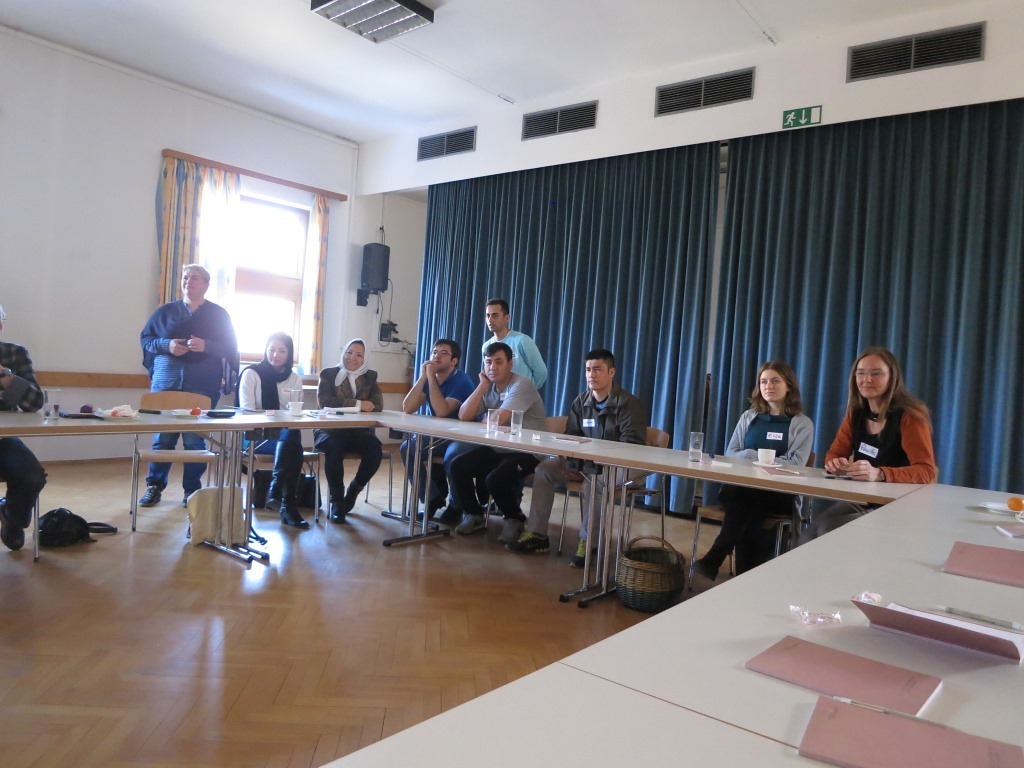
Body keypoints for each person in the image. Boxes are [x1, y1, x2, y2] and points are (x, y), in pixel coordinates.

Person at [507, 348, 648, 567]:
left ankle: (589, 542)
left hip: (625, 466)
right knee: (544, 470)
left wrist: (587, 464)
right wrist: (573, 463)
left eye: (597, 369)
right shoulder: (581, 402)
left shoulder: (629, 404)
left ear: (611, 373)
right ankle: (537, 535)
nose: (592, 374)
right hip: (589, 464)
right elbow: (571, 438)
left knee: (594, 482)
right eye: (588, 370)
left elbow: (631, 447)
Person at [694, 361, 814, 581]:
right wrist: (757, 456)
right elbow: (731, 453)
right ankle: (743, 575)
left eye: (775, 381)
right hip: (741, 489)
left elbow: (795, 463)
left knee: (748, 504)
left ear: (789, 386)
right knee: (747, 496)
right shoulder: (749, 417)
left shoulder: (802, 424)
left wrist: (751, 456)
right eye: (764, 381)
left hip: (778, 495)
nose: (769, 386)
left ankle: (717, 554)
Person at [802, 346, 937, 540]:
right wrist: (835, 463)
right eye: (861, 373)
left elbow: (927, 471)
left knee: (830, 530)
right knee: (809, 534)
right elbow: (835, 453)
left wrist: (880, 474)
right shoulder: (855, 412)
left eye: (876, 373)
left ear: (892, 378)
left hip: (901, 503)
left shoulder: (910, 416)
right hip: (865, 498)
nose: (867, 379)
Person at [138, 264, 239, 507]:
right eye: (185, 277)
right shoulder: (164, 312)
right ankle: (154, 486)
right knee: (163, 439)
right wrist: (167, 345)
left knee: (195, 440)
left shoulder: (219, 315)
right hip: (166, 383)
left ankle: (192, 490)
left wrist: (207, 346)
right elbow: (146, 340)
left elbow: (230, 348)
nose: (188, 281)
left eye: (195, 277)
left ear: (206, 284)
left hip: (202, 385)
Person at [448, 341, 545, 539]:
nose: (492, 367)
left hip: (528, 451)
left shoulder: (522, 384)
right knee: (457, 465)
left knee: (495, 478)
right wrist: (482, 385)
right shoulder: (489, 387)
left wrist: (486, 419)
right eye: (488, 362)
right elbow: (464, 415)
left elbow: (498, 419)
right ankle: (474, 514)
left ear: (510, 364)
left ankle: (514, 519)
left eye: (498, 362)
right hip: (500, 448)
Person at [237, 332, 308, 529]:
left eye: (282, 351)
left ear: (289, 354)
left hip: (284, 435)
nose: (275, 355)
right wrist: (275, 419)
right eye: (272, 350)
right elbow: (247, 413)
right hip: (256, 435)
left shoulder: (294, 379)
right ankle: (286, 504)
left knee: (291, 435)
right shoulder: (251, 374)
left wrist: (282, 420)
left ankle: (277, 491)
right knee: (294, 445)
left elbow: (295, 413)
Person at [400, 339, 475, 522]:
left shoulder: (462, 380)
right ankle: (432, 498)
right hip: (440, 435)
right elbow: (408, 407)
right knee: (407, 448)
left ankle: (456, 506)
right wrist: (423, 378)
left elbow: (442, 411)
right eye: (434, 352)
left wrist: (431, 378)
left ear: (454, 361)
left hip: (463, 436)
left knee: (452, 456)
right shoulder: (430, 378)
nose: (436, 356)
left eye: (443, 353)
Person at [314, 338, 383, 524]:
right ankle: (337, 501)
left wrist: (347, 406)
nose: (352, 357)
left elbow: (377, 405)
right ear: (343, 353)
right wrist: (358, 404)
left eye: (359, 355)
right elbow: (325, 402)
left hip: (359, 431)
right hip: (330, 430)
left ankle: (353, 491)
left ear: (365, 359)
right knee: (334, 447)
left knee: (375, 450)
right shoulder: (328, 374)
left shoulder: (370, 376)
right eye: (349, 352)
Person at [0, 304, 47, 551]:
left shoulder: (14, 354)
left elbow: (35, 403)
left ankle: (11, 517)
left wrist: (5, 376)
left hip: (3, 439)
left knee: (32, 476)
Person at [480, 298, 547, 389]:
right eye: (488, 315)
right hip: (499, 396)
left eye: (495, 315)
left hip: (523, 394)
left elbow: (541, 372)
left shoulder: (522, 341)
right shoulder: (486, 346)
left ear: (507, 318)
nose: (490, 320)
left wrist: (529, 390)